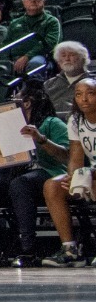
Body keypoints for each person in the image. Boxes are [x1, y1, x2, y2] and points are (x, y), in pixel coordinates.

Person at [0, 79, 70, 267]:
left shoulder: (52, 123)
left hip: (46, 172)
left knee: (21, 183)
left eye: (15, 98)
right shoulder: (7, 127)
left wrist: (41, 139)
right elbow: (2, 159)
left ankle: (28, 248)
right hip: (14, 173)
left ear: (26, 102)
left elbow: (66, 156)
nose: (11, 101)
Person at [40, 76, 96, 266]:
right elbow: (75, 157)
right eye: (79, 94)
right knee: (53, 186)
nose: (84, 99)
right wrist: (74, 178)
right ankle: (70, 249)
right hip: (91, 173)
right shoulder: (76, 120)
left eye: (90, 94)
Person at [3, 0, 63, 76]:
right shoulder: (15, 23)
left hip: (41, 57)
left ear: (43, 1)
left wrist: (27, 56)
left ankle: (33, 85)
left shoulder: (52, 21)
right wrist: (6, 60)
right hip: (14, 58)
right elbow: (6, 44)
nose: (33, 0)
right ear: (23, 2)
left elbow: (50, 43)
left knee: (35, 64)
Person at [44, 42, 91, 117]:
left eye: (72, 55)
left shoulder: (93, 82)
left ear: (83, 59)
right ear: (58, 61)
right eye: (63, 56)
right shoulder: (49, 84)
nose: (67, 59)